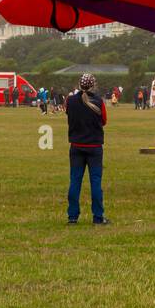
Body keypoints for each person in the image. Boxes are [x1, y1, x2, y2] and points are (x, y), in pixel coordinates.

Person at [65, 73, 109, 225]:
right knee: (95, 183)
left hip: (76, 146)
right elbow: (103, 121)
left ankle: (72, 216)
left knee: (75, 181)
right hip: (94, 146)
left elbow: (69, 116)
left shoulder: (70, 101)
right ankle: (98, 216)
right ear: (93, 85)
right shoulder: (98, 101)